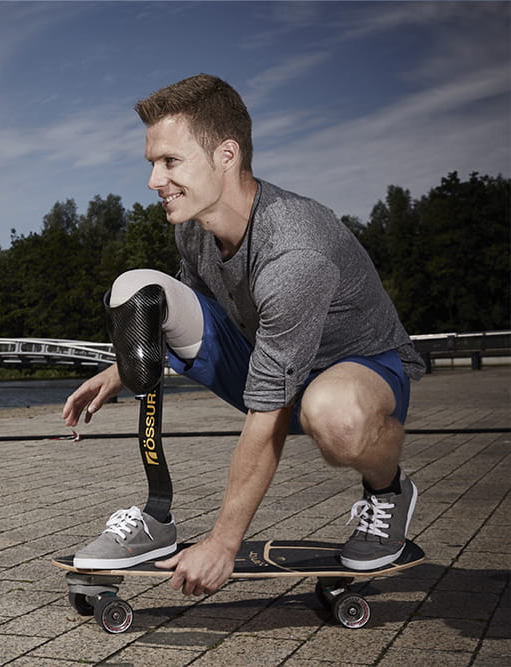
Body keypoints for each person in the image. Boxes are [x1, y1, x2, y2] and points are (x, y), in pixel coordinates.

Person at [62, 74, 424, 597]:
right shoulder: (193, 225)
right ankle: (155, 516)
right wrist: (127, 363)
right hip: (264, 356)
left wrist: (223, 544)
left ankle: (388, 491)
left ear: (225, 155)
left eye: (170, 162)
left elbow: (268, 412)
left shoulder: (295, 252)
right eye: (151, 164)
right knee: (138, 289)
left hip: (358, 369)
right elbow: (188, 306)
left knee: (335, 418)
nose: (153, 181)